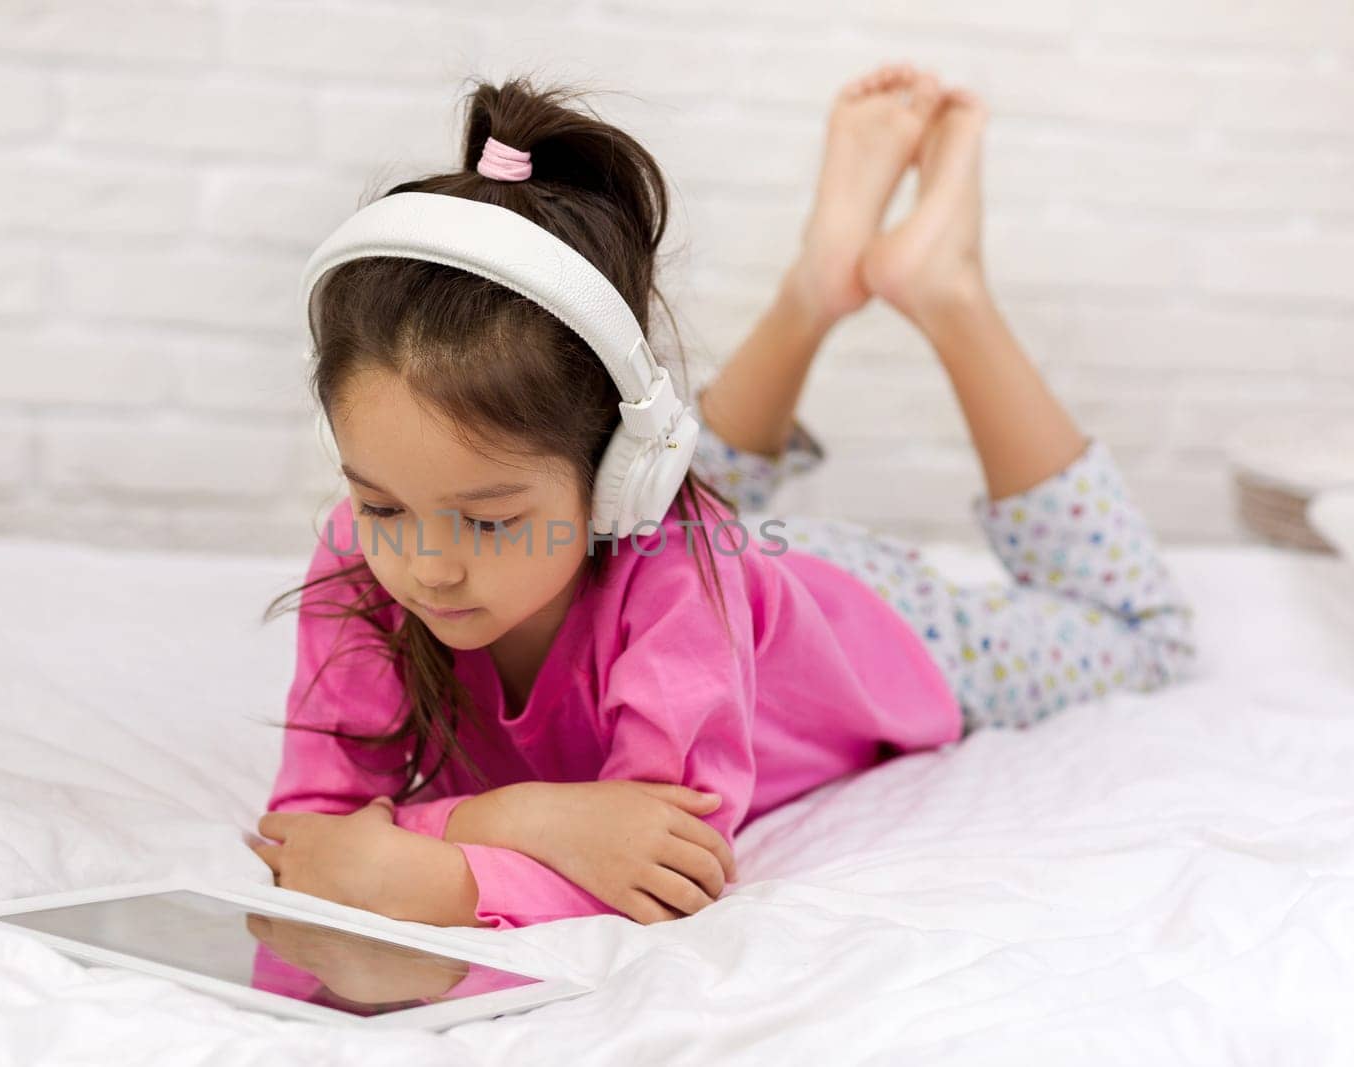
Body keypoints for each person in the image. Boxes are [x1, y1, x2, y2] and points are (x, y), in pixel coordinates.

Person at [249, 65, 1199, 931]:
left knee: (1142, 633)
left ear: (628, 471)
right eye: (383, 507)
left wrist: (452, 866)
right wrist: (519, 818)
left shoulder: (670, 561)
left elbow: (659, 857)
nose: (427, 563)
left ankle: (946, 287)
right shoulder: (361, 554)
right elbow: (315, 831)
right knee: (660, 533)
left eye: (489, 519)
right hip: (703, 568)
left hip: (872, 624)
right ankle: (820, 285)